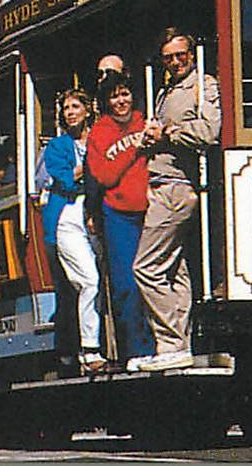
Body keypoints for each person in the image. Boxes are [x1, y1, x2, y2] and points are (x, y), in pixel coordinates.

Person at [130, 28, 220, 371]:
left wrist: (166, 133)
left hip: (177, 187)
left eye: (180, 54)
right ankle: (180, 346)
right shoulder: (166, 91)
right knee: (175, 271)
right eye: (169, 57)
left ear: (192, 53)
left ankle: (170, 342)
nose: (176, 61)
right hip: (163, 184)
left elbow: (211, 131)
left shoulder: (203, 85)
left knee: (146, 267)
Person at [85, 70, 154, 362]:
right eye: (114, 96)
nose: (121, 100)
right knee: (126, 284)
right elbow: (105, 175)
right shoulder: (100, 132)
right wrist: (135, 149)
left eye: (124, 93)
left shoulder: (145, 121)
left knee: (156, 280)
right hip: (118, 215)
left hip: (151, 211)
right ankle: (137, 351)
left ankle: (164, 345)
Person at [37, 89, 107, 374]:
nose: (70, 112)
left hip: (99, 211)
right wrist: (93, 164)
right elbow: (63, 178)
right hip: (67, 215)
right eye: (66, 108)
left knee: (103, 280)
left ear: (87, 110)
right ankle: (89, 349)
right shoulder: (56, 146)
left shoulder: (99, 138)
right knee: (88, 280)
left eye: (76, 106)